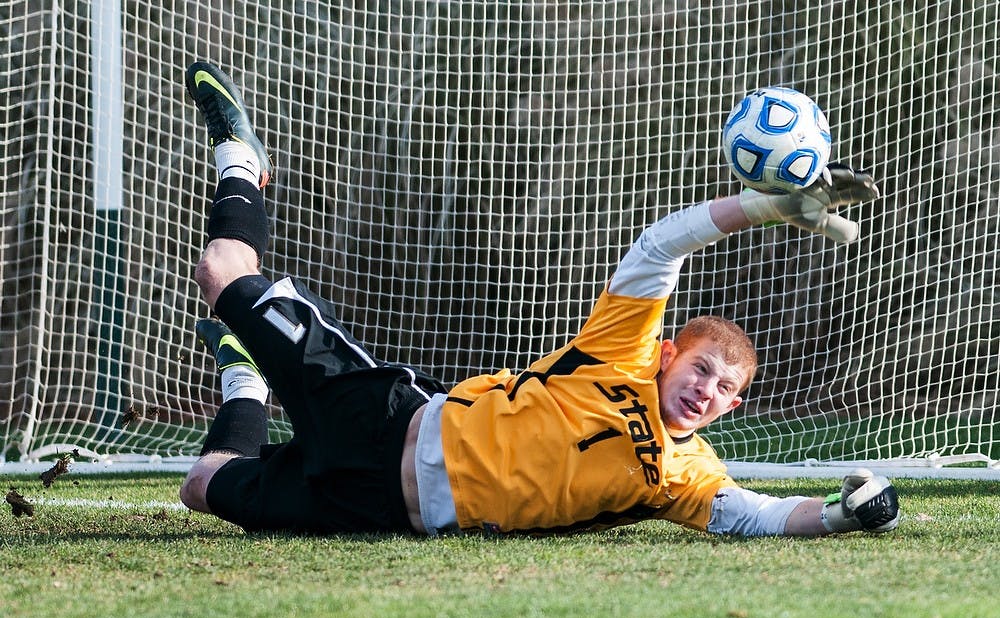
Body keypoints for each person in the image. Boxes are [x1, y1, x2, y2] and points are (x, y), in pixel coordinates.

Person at [179, 61, 899, 539]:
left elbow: (763, 515)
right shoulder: (620, 353)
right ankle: (242, 161)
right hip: (383, 415)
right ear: (668, 353)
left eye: (724, 389)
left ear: (732, 408)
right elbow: (658, 247)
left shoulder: (682, 474)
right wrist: (763, 208)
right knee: (222, 269)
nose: (706, 391)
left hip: (377, 510)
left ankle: (243, 379)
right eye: (703, 369)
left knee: (202, 485)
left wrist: (843, 514)